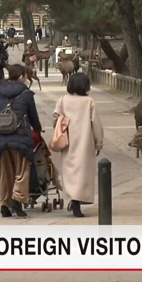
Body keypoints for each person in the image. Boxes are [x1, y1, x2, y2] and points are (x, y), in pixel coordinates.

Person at [0, 64, 42, 218]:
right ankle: (17, 199)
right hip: (20, 137)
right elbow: (33, 116)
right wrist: (38, 129)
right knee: (22, 171)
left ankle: (4, 203)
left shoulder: (0, 91)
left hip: (1, 137)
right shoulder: (26, 94)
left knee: (6, 173)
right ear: (21, 76)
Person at [53, 73, 104, 218]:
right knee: (83, 172)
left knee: (69, 171)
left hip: (67, 141)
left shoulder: (62, 100)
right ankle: (77, 201)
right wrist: (99, 142)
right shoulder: (89, 102)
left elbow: (55, 118)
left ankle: (73, 199)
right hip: (85, 142)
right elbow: (96, 124)